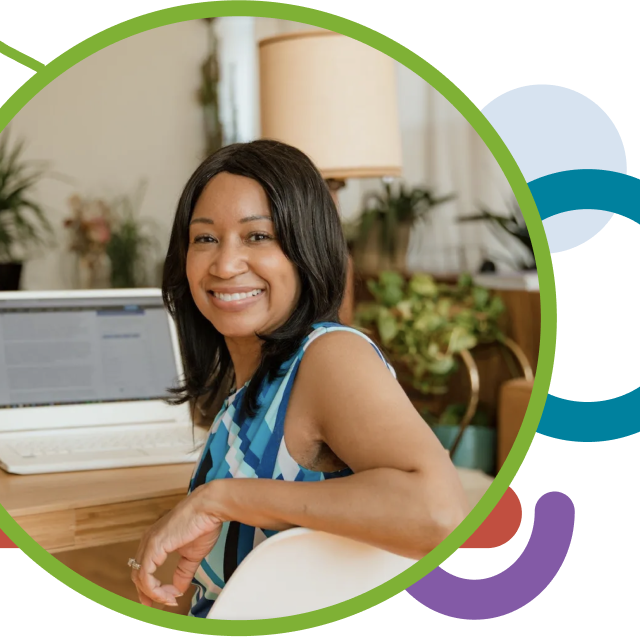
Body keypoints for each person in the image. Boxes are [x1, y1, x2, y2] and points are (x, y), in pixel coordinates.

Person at [129, 140, 469, 618]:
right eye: (205, 238)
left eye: (257, 236)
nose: (224, 265)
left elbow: (439, 514)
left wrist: (220, 499)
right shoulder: (250, 391)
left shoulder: (329, 355)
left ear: (306, 246)